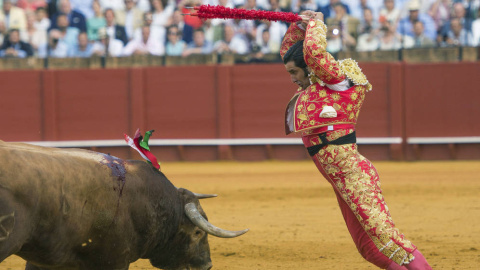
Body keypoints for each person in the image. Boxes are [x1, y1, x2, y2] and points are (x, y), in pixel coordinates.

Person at [280, 10, 433, 270]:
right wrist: (298, 26)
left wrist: (317, 23)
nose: (293, 78)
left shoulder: (337, 81)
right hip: (340, 179)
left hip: (353, 176)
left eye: (295, 72)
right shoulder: (315, 85)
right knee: (369, 249)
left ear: (309, 68)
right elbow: (291, 51)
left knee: (388, 238)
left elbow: (314, 55)